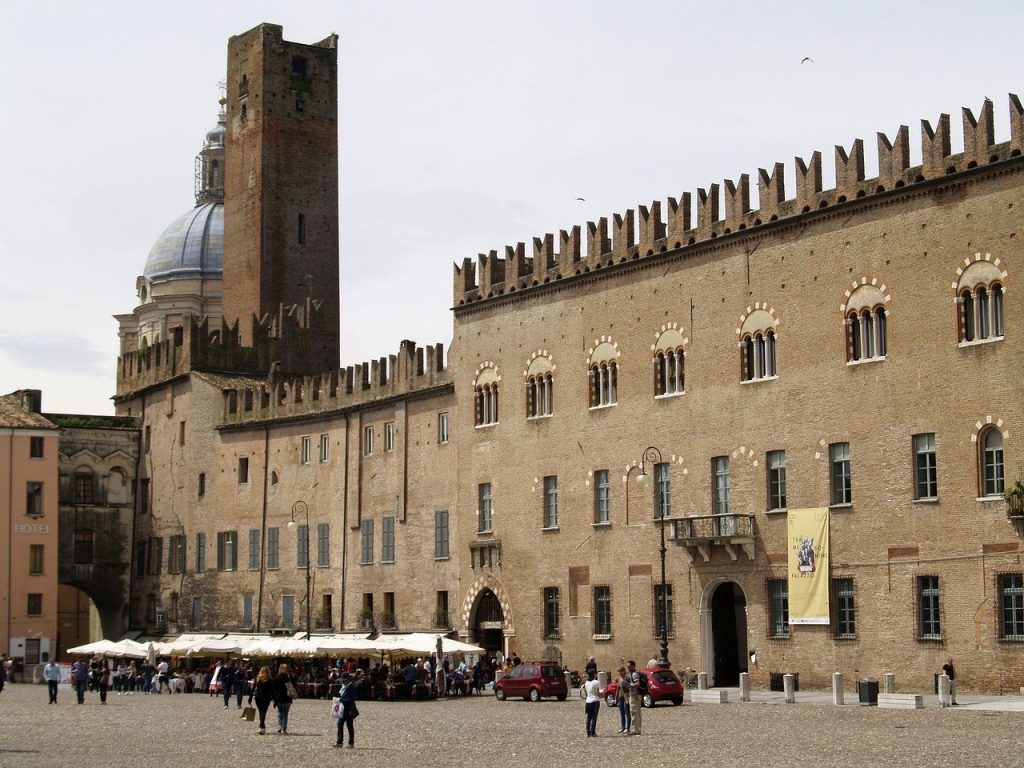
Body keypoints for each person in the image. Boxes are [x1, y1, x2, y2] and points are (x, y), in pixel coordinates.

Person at [335, 672, 358, 748]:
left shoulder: (351, 687)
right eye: (342, 681)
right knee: (339, 724)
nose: (343, 682)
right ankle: (339, 742)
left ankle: (351, 743)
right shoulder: (343, 687)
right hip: (343, 709)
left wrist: (340, 699)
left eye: (344, 681)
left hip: (349, 710)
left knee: (349, 726)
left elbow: (349, 699)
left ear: (348, 680)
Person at [249, 665, 274, 735]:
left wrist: (250, 697)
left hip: (258, 697)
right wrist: (274, 698)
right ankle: (261, 726)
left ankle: (262, 726)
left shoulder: (258, 679)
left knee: (261, 711)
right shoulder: (270, 680)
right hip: (266, 697)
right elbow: (272, 690)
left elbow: (253, 688)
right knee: (264, 712)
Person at [272, 663, 294, 734]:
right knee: (285, 713)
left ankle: (279, 727)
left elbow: (274, 688)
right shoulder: (288, 678)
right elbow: (294, 686)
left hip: (279, 698)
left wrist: (273, 697)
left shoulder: (277, 678)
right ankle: (284, 729)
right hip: (287, 698)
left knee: (280, 713)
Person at [583, 668, 605, 737]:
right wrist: (601, 694)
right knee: (594, 717)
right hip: (595, 701)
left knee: (589, 717)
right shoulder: (596, 682)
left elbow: (586, 692)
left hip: (588, 701)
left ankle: (588, 732)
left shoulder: (586, 682)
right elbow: (597, 692)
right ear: (594, 674)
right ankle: (593, 732)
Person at [626, 660, 643, 735]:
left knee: (634, 712)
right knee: (637, 713)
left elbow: (637, 683)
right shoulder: (632, 673)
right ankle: (638, 729)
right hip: (637, 695)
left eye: (629, 666)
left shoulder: (634, 674)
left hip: (634, 695)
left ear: (633, 666)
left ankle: (635, 730)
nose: (628, 667)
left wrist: (630, 685)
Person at [614, 666, 631, 735]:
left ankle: (628, 727)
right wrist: (616, 698)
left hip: (626, 696)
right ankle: (623, 727)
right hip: (620, 697)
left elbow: (629, 686)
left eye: (621, 671)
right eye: (619, 671)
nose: (620, 673)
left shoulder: (627, 678)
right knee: (622, 713)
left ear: (624, 671)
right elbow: (618, 688)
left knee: (627, 712)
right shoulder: (619, 678)